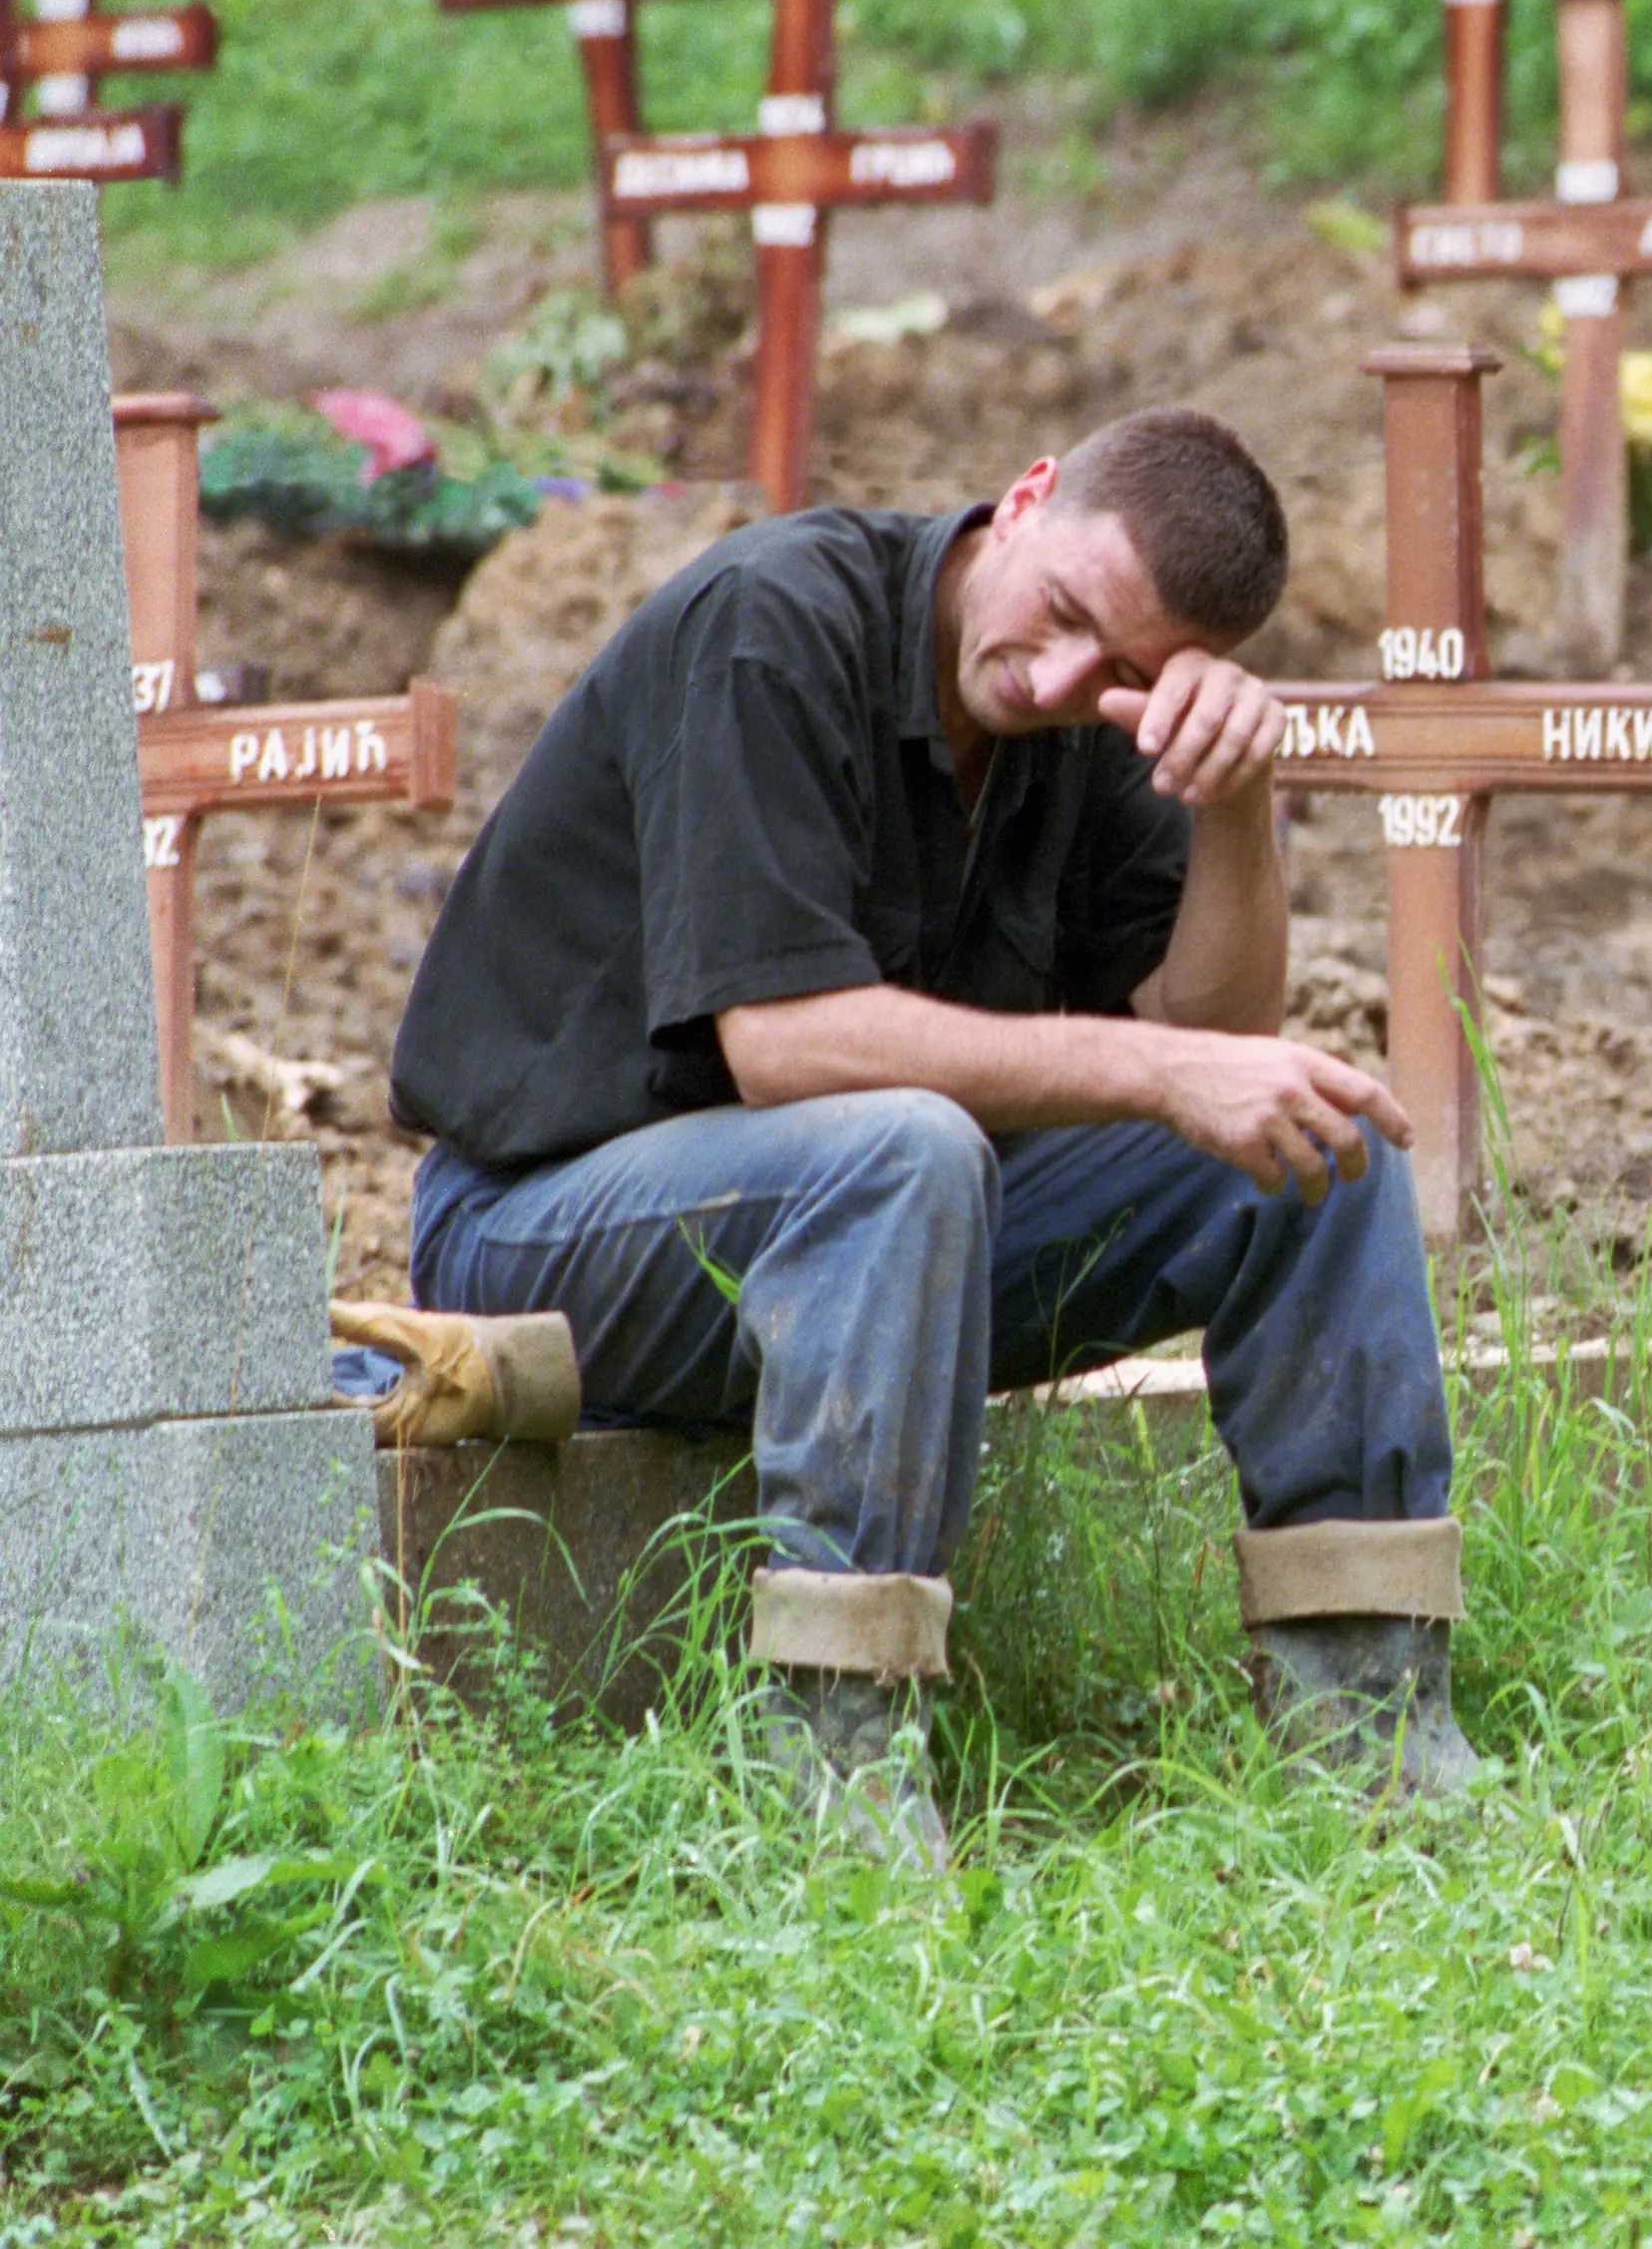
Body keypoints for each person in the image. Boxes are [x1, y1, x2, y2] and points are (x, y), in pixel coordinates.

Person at [387, 409, 1477, 1861]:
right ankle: (841, 1761)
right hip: (541, 1237)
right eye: (1066, 614)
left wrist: (1235, 809)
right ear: (1024, 497)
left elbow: (1208, 1035)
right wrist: (1154, 1071)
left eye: (1128, 674)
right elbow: (780, 1046)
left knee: (1319, 1140)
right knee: (904, 1142)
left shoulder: (1088, 715)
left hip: (880, 1236)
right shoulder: (772, 624)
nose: (1064, 677)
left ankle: (1375, 1736)